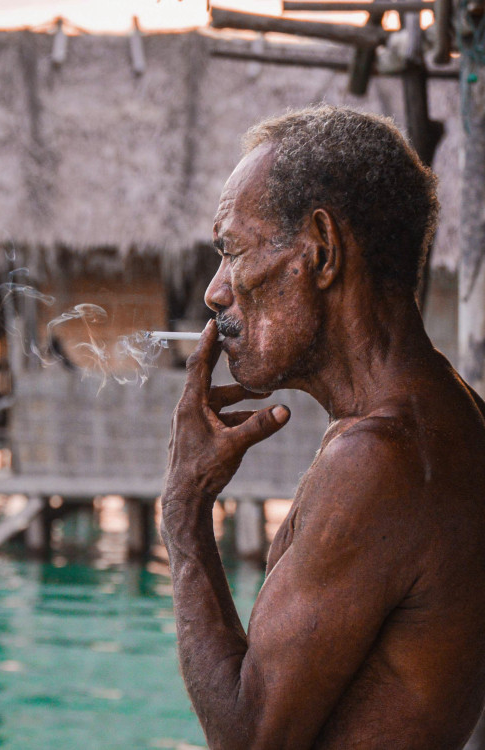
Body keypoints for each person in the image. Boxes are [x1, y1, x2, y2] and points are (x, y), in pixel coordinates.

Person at [161, 105, 485, 749]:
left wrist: (184, 509)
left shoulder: (380, 461)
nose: (215, 292)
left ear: (323, 249)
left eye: (233, 252)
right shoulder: (448, 415)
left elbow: (250, 741)